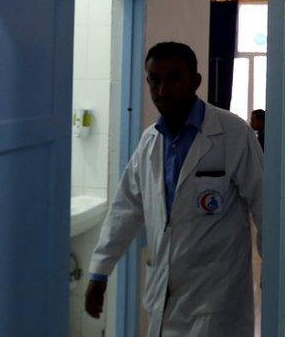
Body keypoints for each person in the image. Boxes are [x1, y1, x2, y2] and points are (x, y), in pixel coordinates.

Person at [84, 42, 263, 337]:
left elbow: (264, 204)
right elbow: (125, 208)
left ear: (195, 81)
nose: (163, 90)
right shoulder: (149, 142)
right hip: (164, 293)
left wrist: (273, 270)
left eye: (173, 78)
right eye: (155, 79)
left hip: (218, 296)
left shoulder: (232, 134)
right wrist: (100, 270)